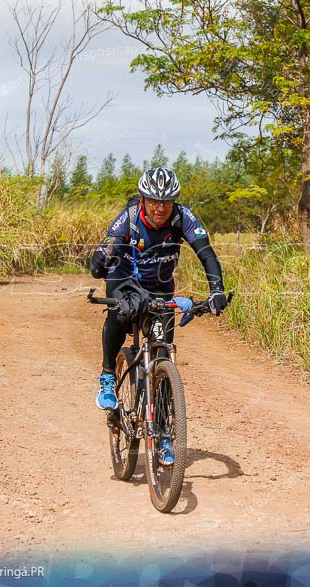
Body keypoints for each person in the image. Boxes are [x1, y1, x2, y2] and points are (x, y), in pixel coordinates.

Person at [89, 167, 228, 462]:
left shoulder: (183, 218)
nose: (160, 208)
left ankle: (164, 434)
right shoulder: (128, 219)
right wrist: (99, 261)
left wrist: (216, 290)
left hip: (160, 289)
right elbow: (105, 251)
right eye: (153, 200)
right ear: (142, 199)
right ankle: (107, 375)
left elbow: (207, 254)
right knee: (118, 312)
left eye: (166, 201)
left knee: (163, 357)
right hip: (124, 282)